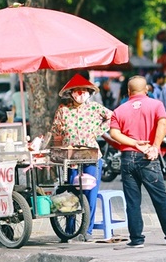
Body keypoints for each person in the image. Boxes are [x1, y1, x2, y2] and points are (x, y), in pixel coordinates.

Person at [110, 76, 166, 248]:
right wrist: (155, 146)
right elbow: (163, 124)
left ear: (128, 91)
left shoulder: (119, 110)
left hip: (128, 158)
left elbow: (114, 134)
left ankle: (136, 239)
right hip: (149, 157)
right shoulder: (156, 105)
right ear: (146, 89)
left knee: (133, 202)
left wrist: (133, 143)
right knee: (160, 199)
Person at [51, 73, 113, 239]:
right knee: (71, 193)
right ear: (70, 93)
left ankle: (88, 230)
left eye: (84, 90)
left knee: (90, 192)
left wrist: (97, 131)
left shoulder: (94, 108)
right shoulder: (63, 110)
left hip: (92, 155)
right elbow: (55, 131)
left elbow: (113, 118)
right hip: (70, 158)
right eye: (76, 91)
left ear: (88, 92)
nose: (80, 93)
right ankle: (69, 230)